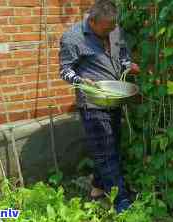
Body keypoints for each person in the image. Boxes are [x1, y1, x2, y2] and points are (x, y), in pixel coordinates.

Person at [58, 0, 140, 213]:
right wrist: (80, 81)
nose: (110, 32)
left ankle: (97, 187)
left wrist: (128, 65)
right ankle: (122, 202)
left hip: (114, 97)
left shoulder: (114, 29)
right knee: (107, 152)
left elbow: (122, 55)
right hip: (93, 102)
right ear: (92, 22)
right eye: (106, 29)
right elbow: (64, 71)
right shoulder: (72, 37)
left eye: (113, 27)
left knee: (110, 147)